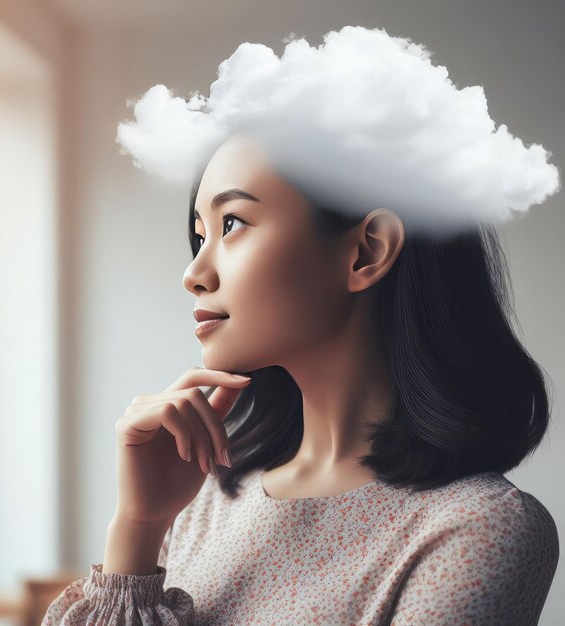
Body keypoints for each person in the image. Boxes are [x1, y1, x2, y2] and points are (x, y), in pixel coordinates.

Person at [43, 25, 560, 626]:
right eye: (199, 236)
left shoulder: (478, 529)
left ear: (366, 252)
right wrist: (138, 527)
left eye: (232, 224)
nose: (194, 273)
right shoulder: (202, 506)